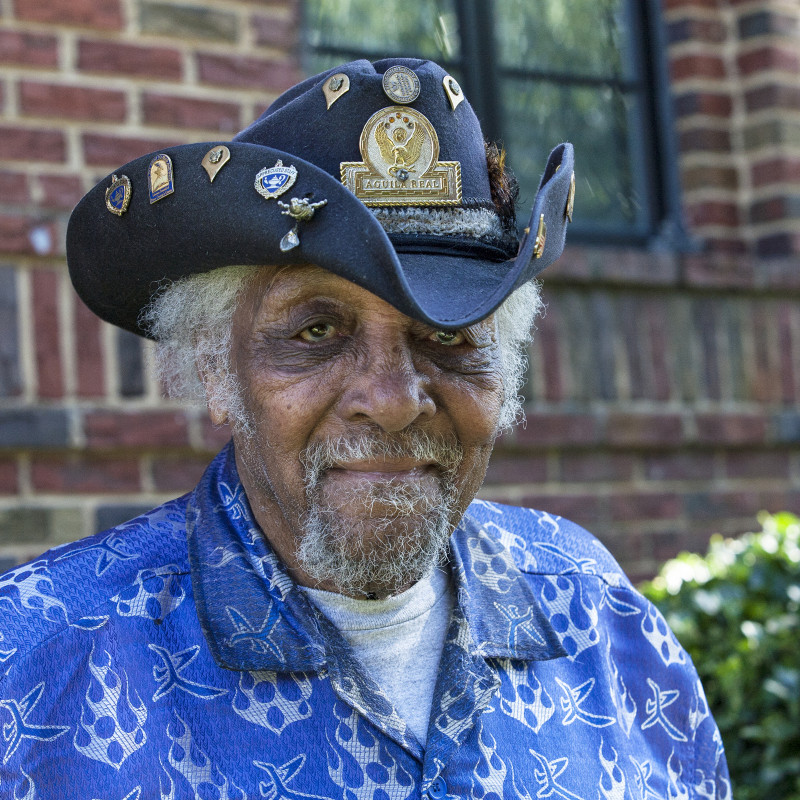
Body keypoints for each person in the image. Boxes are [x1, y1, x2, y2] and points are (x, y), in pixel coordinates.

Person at [0, 58, 729, 799]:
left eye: (448, 333)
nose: (392, 399)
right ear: (216, 372)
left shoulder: (598, 611)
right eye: (317, 329)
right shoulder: (33, 669)